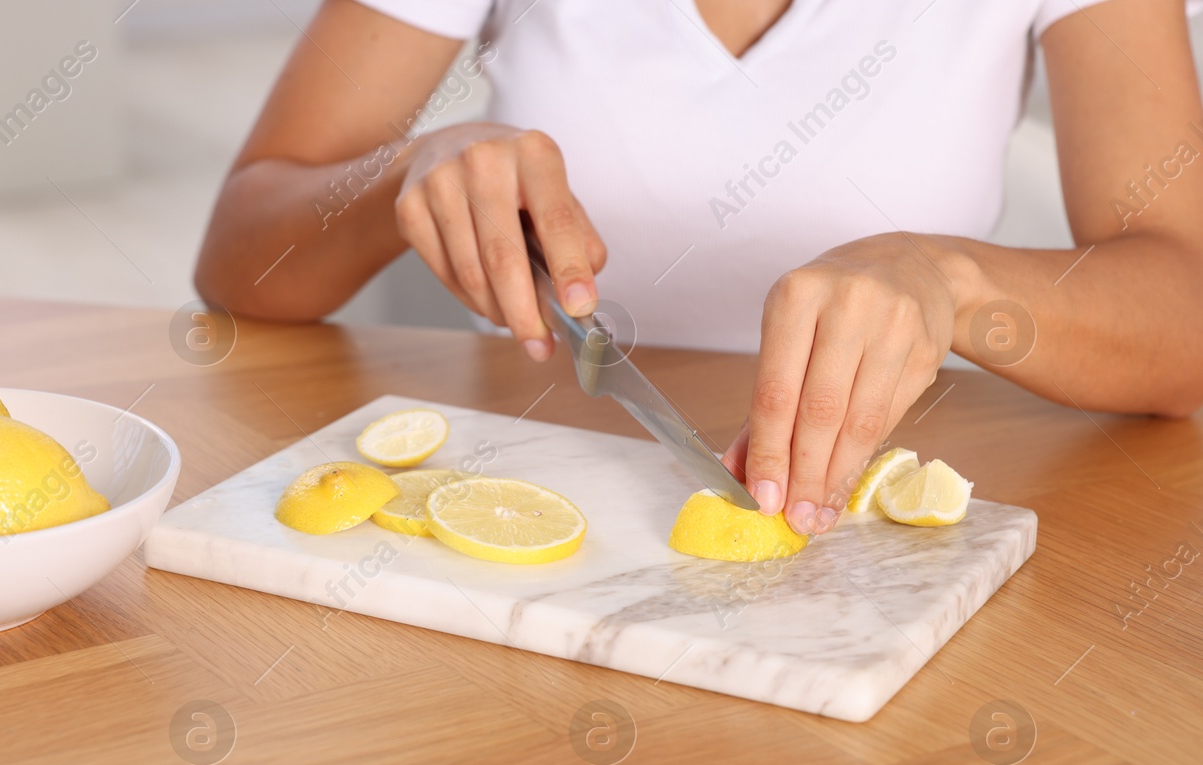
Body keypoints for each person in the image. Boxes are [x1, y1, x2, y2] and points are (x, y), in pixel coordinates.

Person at [195, 0, 1203, 535]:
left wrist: (950, 280)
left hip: (849, 525)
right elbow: (241, 260)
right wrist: (402, 173)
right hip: (538, 497)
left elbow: (1185, 315)